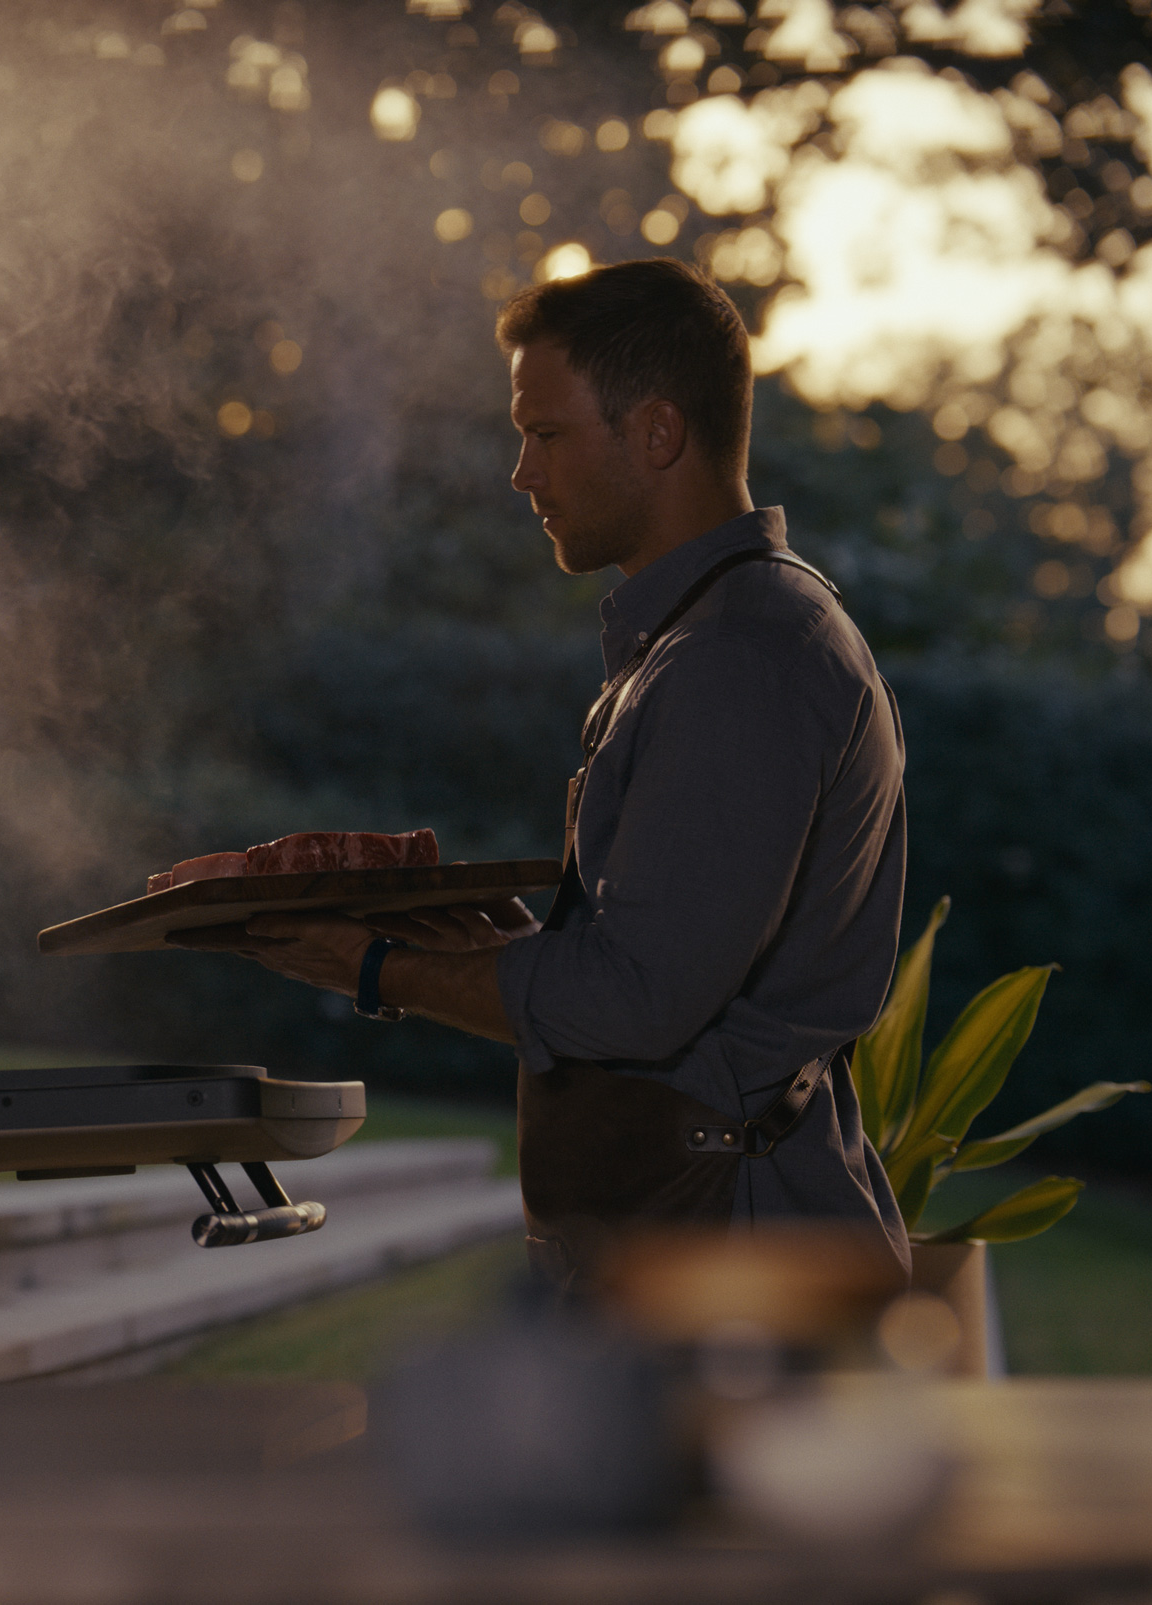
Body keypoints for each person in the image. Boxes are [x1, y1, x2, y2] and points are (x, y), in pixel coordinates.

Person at [224, 258, 911, 1279]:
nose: (522, 474)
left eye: (546, 435)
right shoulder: (709, 637)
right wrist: (507, 943)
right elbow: (669, 963)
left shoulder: (740, 658)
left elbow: (640, 1000)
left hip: (736, 1273)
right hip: (695, 1251)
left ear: (658, 433)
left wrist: (372, 967)